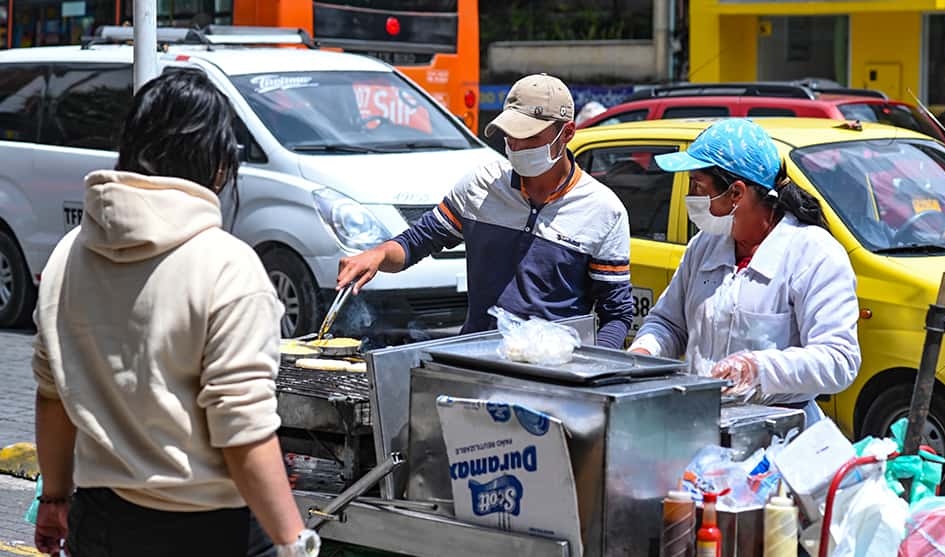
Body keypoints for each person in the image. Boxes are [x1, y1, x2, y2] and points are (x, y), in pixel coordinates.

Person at [32, 68, 319, 557]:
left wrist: (53, 497)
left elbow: (53, 396)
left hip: (98, 524)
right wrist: (295, 543)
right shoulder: (228, 266)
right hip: (212, 533)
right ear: (219, 166)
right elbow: (243, 432)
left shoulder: (67, 255)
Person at [337, 74, 634, 348]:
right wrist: (378, 255)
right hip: (476, 360)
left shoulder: (604, 211)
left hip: (557, 374)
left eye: (530, 137)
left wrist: (591, 367)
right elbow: (417, 242)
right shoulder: (480, 186)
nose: (516, 145)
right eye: (509, 136)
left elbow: (617, 314)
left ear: (567, 133)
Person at [628, 118, 861, 424]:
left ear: (736, 193)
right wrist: (644, 352)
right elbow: (668, 323)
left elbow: (839, 360)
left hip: (778, 434)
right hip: (700, 424)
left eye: (698, 185)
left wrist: (758, 369)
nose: (691, 196)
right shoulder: (705, 245)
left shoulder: (814, 254)